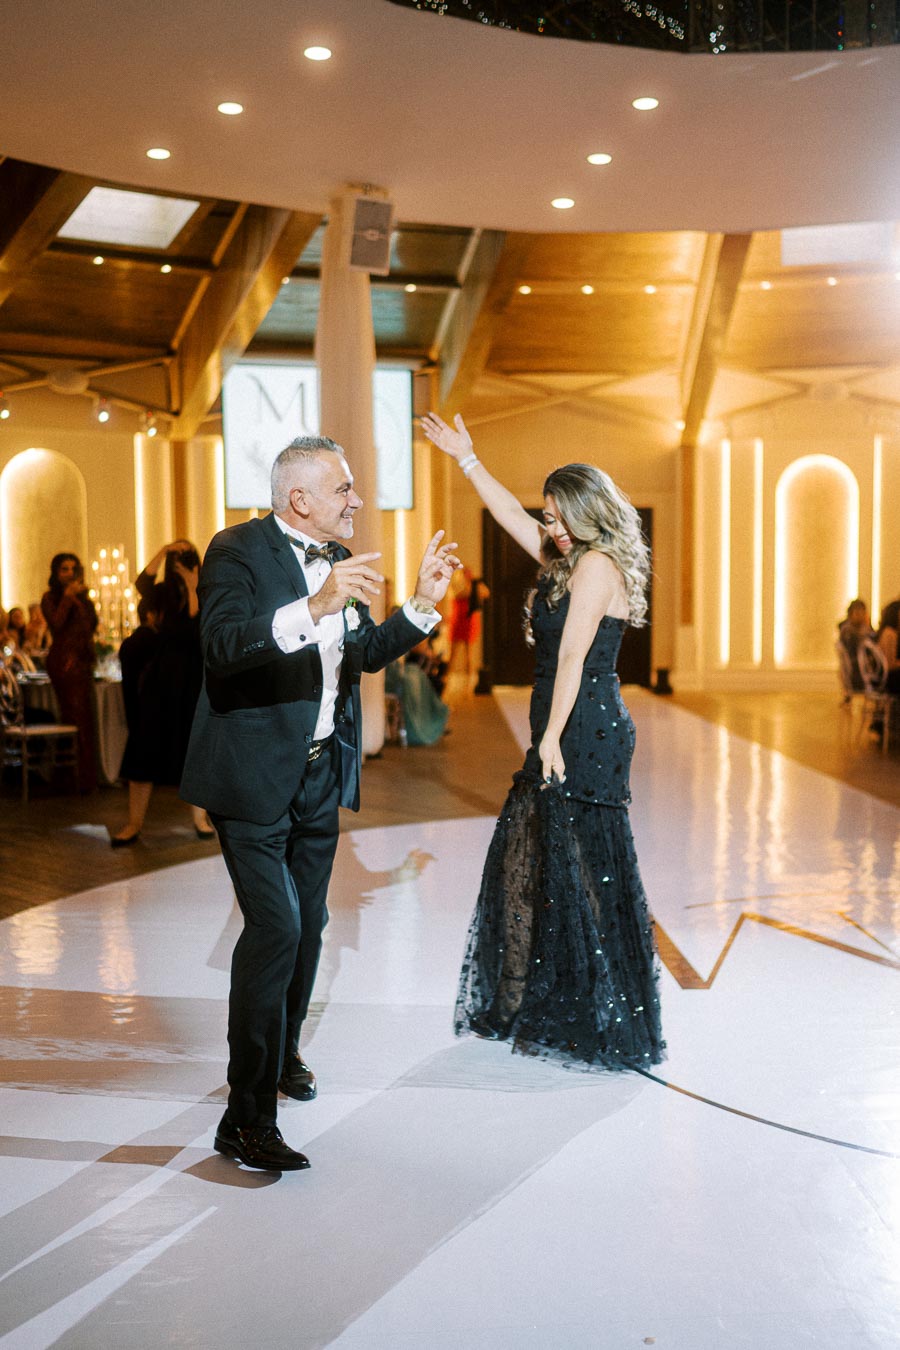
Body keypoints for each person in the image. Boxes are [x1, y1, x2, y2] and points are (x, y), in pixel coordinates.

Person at [180, 434, 459, 1172]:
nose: (357, 500)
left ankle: (283, 1055)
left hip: (315, 776)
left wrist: (422, 606)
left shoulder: (337, 563)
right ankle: (245, 1119)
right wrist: (314, 604)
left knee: (310, 928)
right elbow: (223, 645)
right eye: (344, 489)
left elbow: (360, 655)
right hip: (250, 775)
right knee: (276, 928)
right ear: (299, 498)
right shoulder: (235, 550)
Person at [421, 411, 665, 1070]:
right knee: (542, 863)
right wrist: (467, 460)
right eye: (548, 517)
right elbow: (509, 514)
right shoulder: (569, 560)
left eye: (558, 517)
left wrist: (551, 738)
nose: (549, 527)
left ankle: (598, 1012)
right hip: (561, 726)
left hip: (584, 727)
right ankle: (550, 995)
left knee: (584, 869)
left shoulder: (595, 569)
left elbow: (574, 662)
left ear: (588, 514)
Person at [111, 541, 213, 845]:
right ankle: (133, 823)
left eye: (186, 556)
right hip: (162, 678)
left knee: (194, 750)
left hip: (193, 678)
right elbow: (142, 580)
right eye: (178, 558)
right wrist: (166, 548)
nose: (182, 560)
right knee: (143, 748)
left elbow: (199, 626)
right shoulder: (162, 595)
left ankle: (200, 819)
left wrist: (193, 581)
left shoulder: (206, 589)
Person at [41, 553, 99, 791]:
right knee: (76, 717)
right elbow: (55, 623)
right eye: (64, 569)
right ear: (56, 572)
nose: (69, 573)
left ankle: (74, 775)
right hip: (64, 662)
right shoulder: (50, 597)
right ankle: (79, 778)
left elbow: (91, 626)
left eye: (73, 568)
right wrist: (67, 598)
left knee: (82, 718)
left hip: (81, 662)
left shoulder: (83, 599)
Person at [836, 599, 874, 694]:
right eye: (857, 613)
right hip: (856, 667)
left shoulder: (865, 627)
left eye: (862, 613)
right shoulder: (848, 630)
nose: (860, 616)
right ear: (850, 614)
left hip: (864, 665)